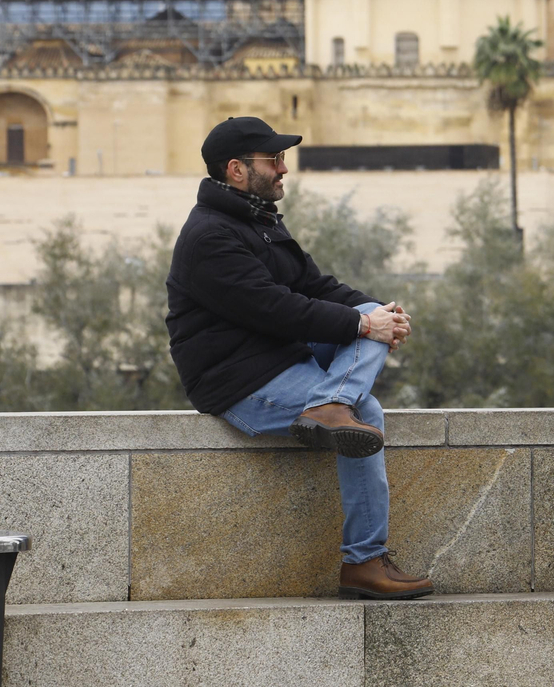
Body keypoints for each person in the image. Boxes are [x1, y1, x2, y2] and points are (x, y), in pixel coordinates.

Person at [165, 116, 433, 600]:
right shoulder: (210, 237)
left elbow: (315, 286)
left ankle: (331, 403)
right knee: (365, 410)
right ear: (237, 170)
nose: (284, 169)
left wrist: (381, 315)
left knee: (367, 314)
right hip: (240, 382)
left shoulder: (259, 222)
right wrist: (361, 326)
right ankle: (363, 563)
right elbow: (276, 309)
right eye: (274, 160)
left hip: (283, 360)